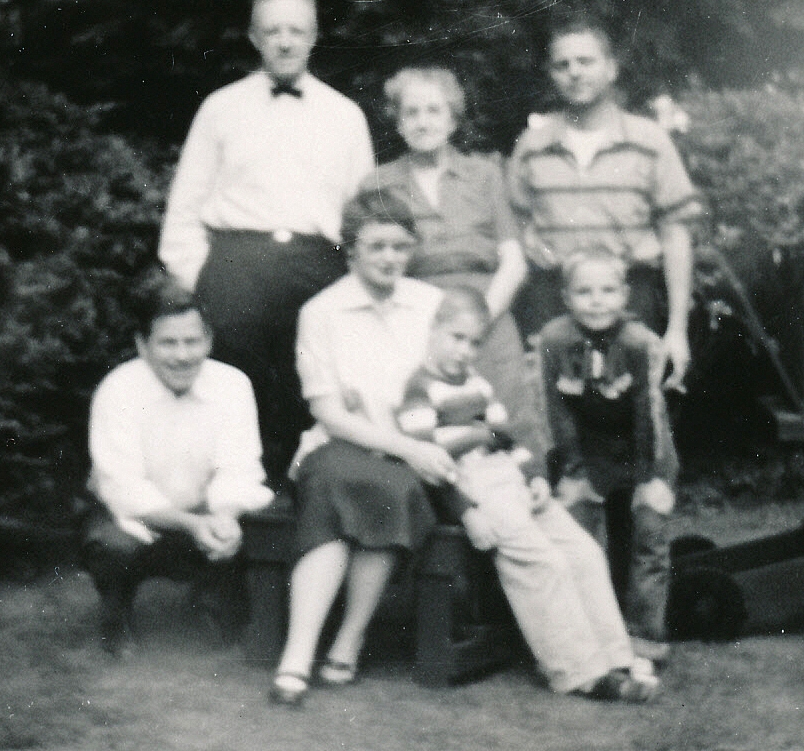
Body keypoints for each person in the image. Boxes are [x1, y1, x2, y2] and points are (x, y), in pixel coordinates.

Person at [158, 0, 374, 493]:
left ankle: (307, 505)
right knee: (233, 387)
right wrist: (201, 277)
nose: (285, 42)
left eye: (296, 31)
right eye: (273, 31)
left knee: (312, 384)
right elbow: (185, 205)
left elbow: (362, 214)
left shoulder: (345, 116)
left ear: (313, 37)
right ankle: (233, 506)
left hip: (317, 266)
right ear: (255, 38)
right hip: (237, 266)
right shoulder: (221, 108)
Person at [396, 286, 660, 700]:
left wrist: (535, 478)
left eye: (474, 343)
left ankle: (615, 658)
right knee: (545, 563)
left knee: (584, 553)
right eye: (456, 338)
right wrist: (467, 511)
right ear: (433, 330)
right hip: (471, 490)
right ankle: (578, 671)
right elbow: (431, 465)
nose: (465, 351)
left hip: (509, 481)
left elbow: (507, 442)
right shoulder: (419, 390)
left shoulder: (479, 386)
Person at [269, 188, 453, 706]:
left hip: (413, 451)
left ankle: (348, 637)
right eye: (377, 247)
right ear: (351, 251)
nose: (390, 258)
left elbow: (449, 383)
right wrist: (400, 446)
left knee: (391, 487)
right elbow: (330, 413)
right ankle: (298, 654)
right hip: (339, 446)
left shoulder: (430, 305)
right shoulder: (321, 312)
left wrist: (415, 447)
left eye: (400, 246)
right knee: (339, 487)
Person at [81, 271, 274, 656]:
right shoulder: (117, 390)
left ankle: (212, 595)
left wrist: (225, 518)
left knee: (252, 531)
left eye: (192, 341)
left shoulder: (233, 385)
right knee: (112, 545)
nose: (183, 356)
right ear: (142, 345)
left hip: (204, 513)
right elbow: (123, 488)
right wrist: (191, 524)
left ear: (209, 341)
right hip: (131, 519)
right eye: (168, 343)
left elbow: (239, 467)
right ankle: (116, 609)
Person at [508, 14, 705, 392]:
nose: (574, 72)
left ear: (611, 69)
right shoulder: (533, 146)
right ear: (552, 75)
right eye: (562, 65)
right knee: (553, 413)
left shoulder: (649, 141)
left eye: (586, 61)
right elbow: (516, 228)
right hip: (553, 301)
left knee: (635, 409)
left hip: (630, 298)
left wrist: (677, 329)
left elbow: (676, 236)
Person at [363, 67, 540, 450]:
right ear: (398, 122)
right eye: (411, 112)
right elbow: (371, 266)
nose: (423, 122)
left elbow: (513, 262)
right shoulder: (379, 182)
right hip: (417, 321)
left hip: (488, 313)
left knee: (508, 426)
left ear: (453, 119)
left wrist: (477, 321)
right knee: (427, 427)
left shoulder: (485, 175)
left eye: (434, 110)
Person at [539, 249, 679, 660]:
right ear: (566, 297)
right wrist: (574, 469)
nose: (596, 301)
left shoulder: (639, 342)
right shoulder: (554, 340)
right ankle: (587, 632)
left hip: (644, 448)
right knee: (577, 533)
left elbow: (648, 412)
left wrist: (648, 478)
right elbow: (557, 410)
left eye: (607, 290)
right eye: (584, 292)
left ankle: (644, 634)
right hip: (588, 448)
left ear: (625, 295)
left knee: (647, 533)